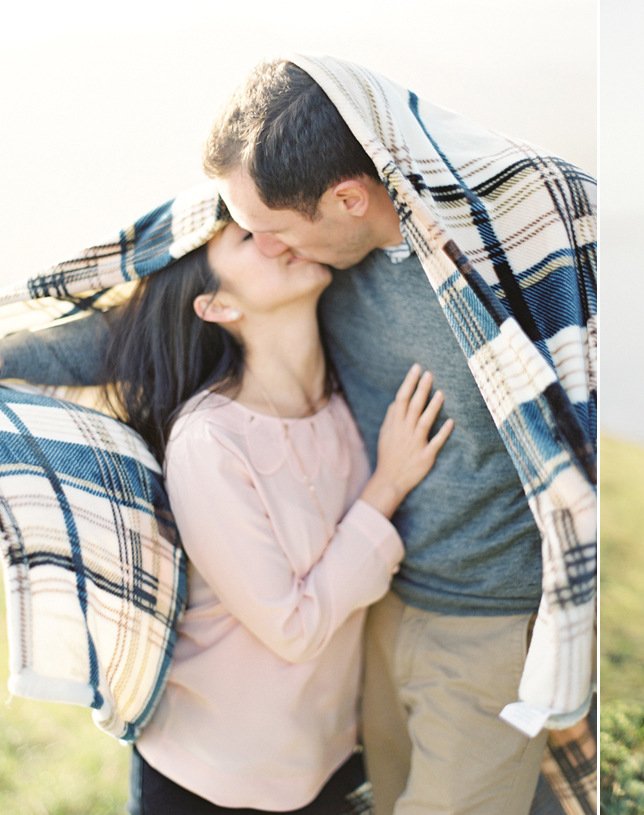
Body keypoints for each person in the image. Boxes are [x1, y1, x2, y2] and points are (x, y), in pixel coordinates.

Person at [0, 55, 596, 815]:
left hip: (487, 619)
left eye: (268, 230)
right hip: (364, 632)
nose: (266, 240)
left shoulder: (497, 240)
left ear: (346, 200)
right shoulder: (292, 239)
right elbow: (122, 331)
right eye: (250, 233)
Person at [104, 222, 451, 813]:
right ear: (217, 306)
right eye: (246, 240)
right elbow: (295, 626)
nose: (274, 237)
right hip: (212, 776)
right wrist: (387, 484)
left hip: (330, 759)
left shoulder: (347, 396)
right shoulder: (210, 440)